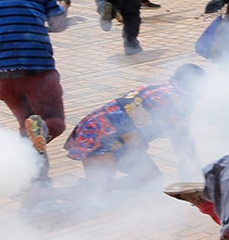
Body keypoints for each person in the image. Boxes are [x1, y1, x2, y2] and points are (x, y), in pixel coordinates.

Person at [0, 0, 69, 187]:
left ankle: (37, 178)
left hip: (0, 73)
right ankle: (28, 155)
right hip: (36, 70)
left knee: (28, 127)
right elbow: (58, 24)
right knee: (53, 122)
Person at [64, 64, 202, 188]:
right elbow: (182, 134)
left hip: (102, 132)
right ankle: (47, 193)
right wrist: (193, 166)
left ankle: (95, 188)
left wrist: (187, 163)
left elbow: (180, 134)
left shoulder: (168, 88)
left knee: (152, 179)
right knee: (97, 191)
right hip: (99, 136)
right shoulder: (179, 98)